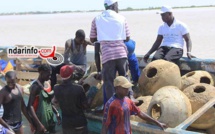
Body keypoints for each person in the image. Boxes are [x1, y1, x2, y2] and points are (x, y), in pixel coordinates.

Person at [90, 0, 138, 105]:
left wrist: (103, 36)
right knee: (124, 76)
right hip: (121, 53)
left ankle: (110, 105)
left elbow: (92, 39)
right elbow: (127, 37)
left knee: (108, 82)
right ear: (114, 5)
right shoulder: (122, 18)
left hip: (108, 55)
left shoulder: (96, 19)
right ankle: (130, 98)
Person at [101, 76, 167, 134]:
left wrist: (157, 123)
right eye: (125, 88)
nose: (127, 90)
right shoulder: (110, 104)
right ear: (117, 88)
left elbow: (140, 113)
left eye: (128, 88)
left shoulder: (128, 101)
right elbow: (105, 125)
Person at [52, 65, 90, 134]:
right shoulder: (79, 88)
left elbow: (54, 102)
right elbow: (86, 106)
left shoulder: (56, 88)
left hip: (66, 124)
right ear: (72, 75)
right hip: (79, 123)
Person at [27, 64, 61, 134]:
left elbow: (48, 102)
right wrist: (39, 124)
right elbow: (29, 106)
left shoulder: (47, 84)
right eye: (48, 75)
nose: (50, 77)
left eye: (50, 75)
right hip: (39, 120)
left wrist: (56, 113)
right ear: (41, 73)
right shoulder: (35, 87)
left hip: (48, 119)